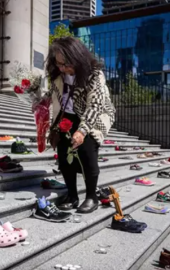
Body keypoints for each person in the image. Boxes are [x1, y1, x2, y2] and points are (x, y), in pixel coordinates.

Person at [40, 37, 116, 213]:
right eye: (58, 63)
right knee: (64, 155)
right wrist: (37, 99)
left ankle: (91, 197)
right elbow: (52, 94)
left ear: (77, 58)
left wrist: (82, 130)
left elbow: (95, 105)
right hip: (65, 115)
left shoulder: (94, 75)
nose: (62, 68)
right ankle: (72, 195)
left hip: (92, 117)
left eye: (65, 64)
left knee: (87, 153)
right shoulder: (58, 74)